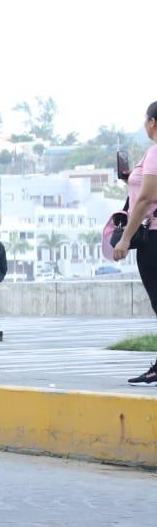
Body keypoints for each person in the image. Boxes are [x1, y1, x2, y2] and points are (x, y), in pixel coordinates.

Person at [112, 101, 157, 384]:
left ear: (153, 122)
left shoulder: (154, 152)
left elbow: (146, 198)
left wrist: (126, 238)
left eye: (145, 120)